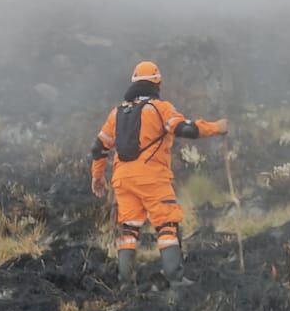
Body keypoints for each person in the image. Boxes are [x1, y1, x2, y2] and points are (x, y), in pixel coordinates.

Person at [90, 60, 228, 288]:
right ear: (157, 83)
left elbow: (98, 148)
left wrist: (97, 177)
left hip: (123, 180)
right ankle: (175, 278)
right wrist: (218, 127)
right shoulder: (160, 108)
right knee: (166, 225)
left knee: (128, 230)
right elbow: (186, 129)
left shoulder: (117, 113)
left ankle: (126, 282)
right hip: (153, 178)